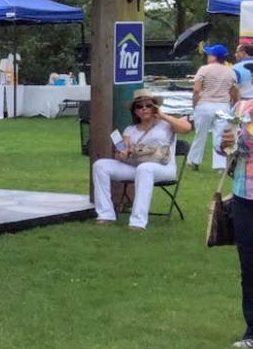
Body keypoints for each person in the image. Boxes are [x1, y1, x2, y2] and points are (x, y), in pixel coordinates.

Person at [91, 93, 191, 229]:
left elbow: (186, 128)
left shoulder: (166, 124)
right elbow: (123, 150)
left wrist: (163, 116)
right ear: (135, 111)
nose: (144, 108)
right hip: (135, 167)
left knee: (145, 169)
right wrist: (121, 154)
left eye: (148, 105)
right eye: (139, 106)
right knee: (100, 165)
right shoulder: (130, 129)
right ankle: (105, 214)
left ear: (155, 107)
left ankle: (138, 222)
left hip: (163, 167)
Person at [218, 72, 253, 348]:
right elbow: (226, 148)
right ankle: (252, 331)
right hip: (245, 194)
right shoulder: (242, 107)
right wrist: (226, 144)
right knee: (249, 266)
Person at [189, 44, 237, 170]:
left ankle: (194, 160)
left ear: (215, 57)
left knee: (200, 134)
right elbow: (233, 92)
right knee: (220, 135)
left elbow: (196, 90)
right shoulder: (231, 72)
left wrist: (194, 104)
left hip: (205, 104)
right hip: (223, 105)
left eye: (210, 54)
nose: (208, 56)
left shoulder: (204, 69)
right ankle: (220, 165)